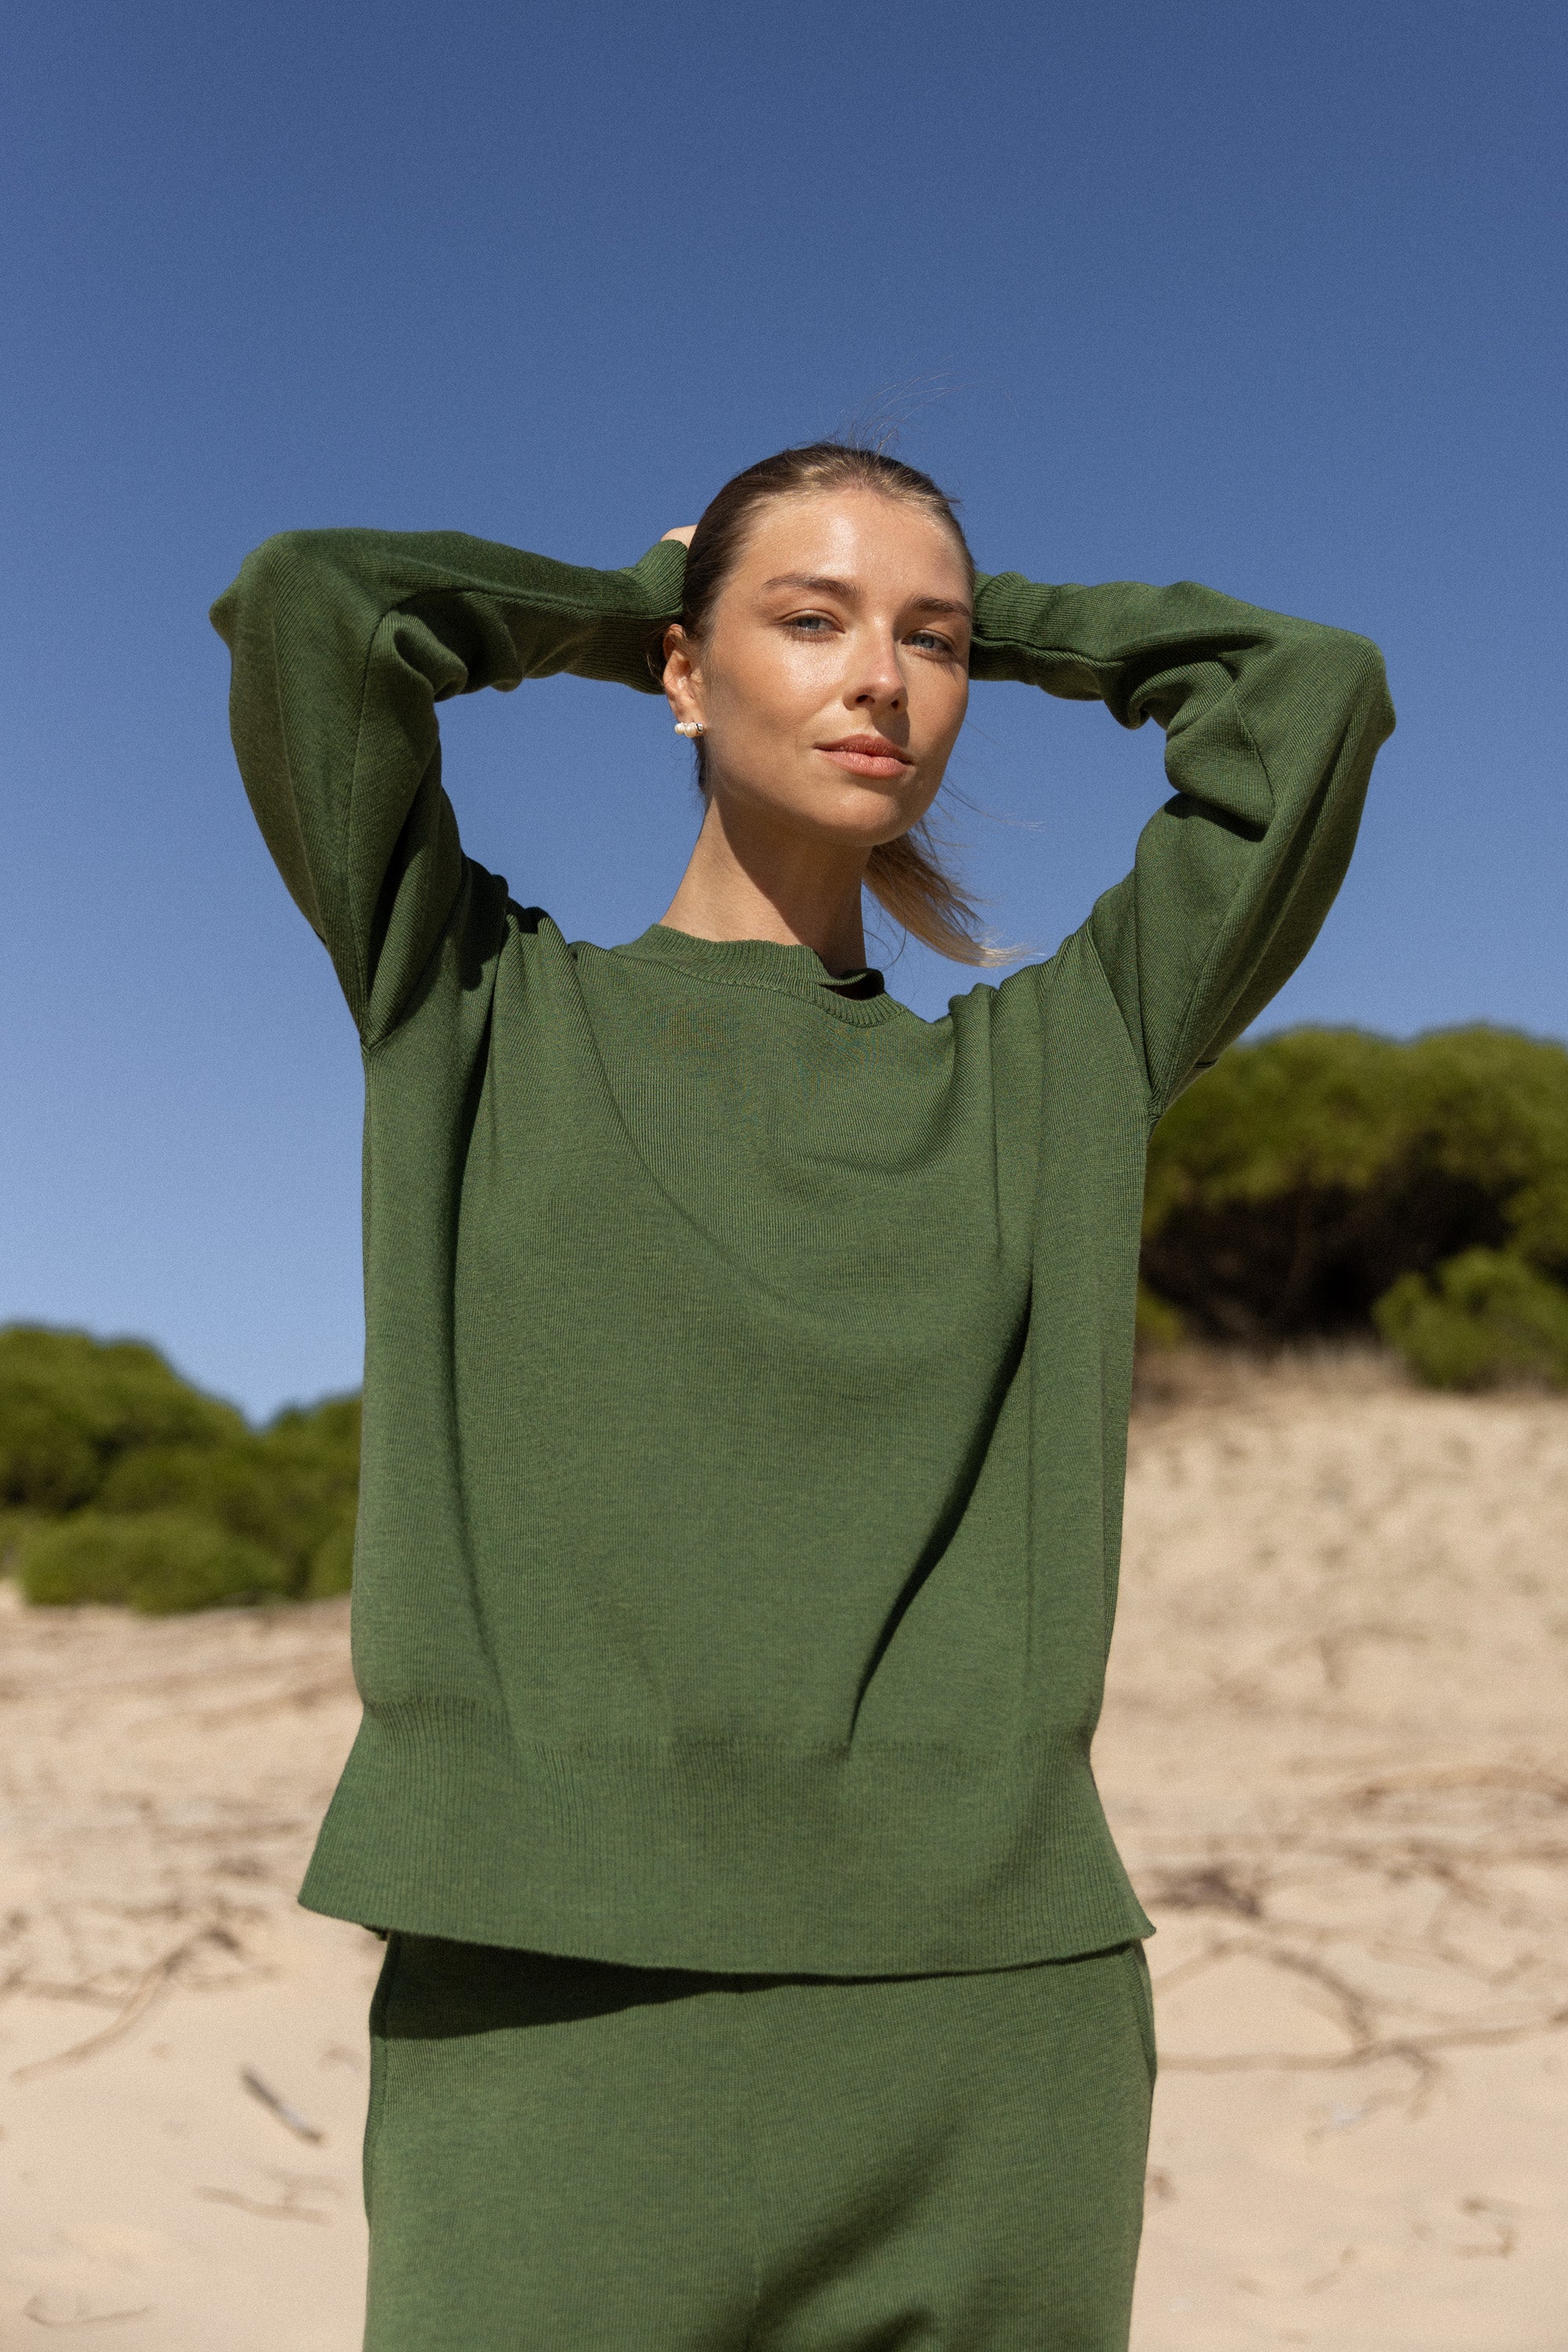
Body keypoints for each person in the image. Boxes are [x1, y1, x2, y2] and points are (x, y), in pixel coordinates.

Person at [212, 442, 1393, 2351]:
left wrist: (1004, 624)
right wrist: (629, 603)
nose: (880, 681)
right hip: (548, 2000)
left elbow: (1311, 695)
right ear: (684, 674)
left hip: (986, 2031)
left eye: (929, 642)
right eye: (811, 619)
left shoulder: (1054, 1067)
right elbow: (314, 611)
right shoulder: (473, 1006)